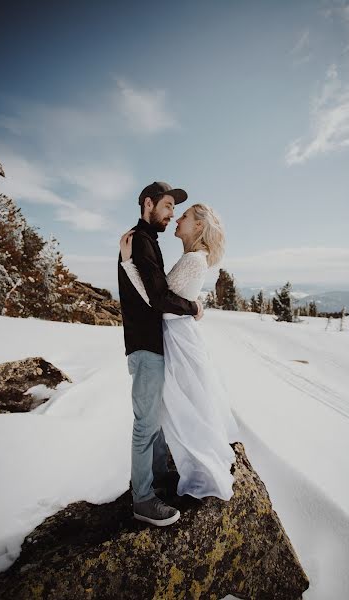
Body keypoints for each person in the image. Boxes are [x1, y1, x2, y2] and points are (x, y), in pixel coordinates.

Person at [119, 182, 240, 527]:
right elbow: (160, 301)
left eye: (181, 213)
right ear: (149, 204)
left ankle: (168, 479)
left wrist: (190, 306)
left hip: (172, 340)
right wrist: (192, 305)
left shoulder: (185, 257)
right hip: (159, 340)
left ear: (198, 225)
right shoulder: (142, 242)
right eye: (170, 207)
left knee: (177, 408)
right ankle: (150, 490)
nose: (174, 217)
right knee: (161, 414)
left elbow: (162, 301)